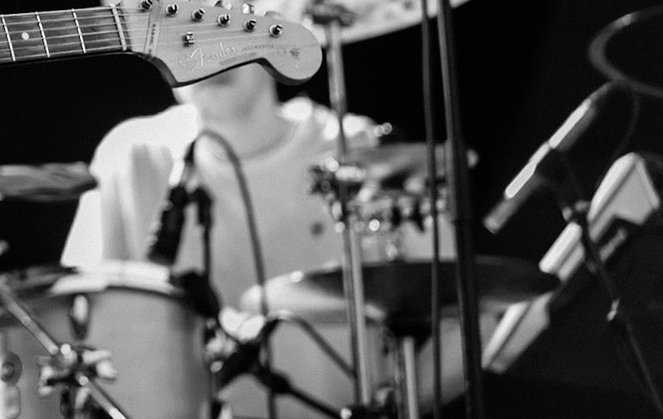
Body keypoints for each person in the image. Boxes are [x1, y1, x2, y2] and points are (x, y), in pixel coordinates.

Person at [62, 62, 472, 419]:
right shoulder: (131, 156)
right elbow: (71, 328)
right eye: (182, 30)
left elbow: (471, 320)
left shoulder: (359, 151)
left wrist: (394, 406)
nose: (207, 53)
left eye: (225, 24)